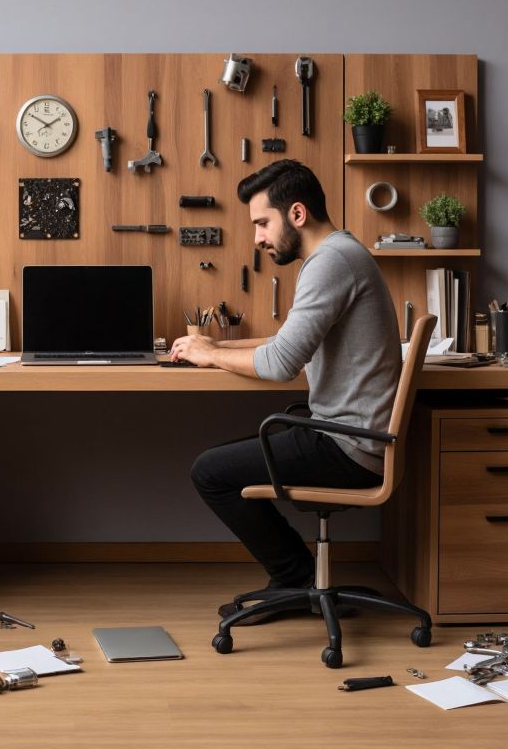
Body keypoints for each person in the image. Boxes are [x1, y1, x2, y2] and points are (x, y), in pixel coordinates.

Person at [169, 159, 401, 615]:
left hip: (347, 445)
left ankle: (295, 580)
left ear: (297, 214)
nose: (257, 237)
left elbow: (279, 364)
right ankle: (297, 578)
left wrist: (210, 356)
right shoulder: (337, 254)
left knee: (210, 472)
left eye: (261, 223)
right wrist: (217, 342)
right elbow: (286, 341)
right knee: (224, 464)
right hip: (352, 435)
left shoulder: (331, 262)